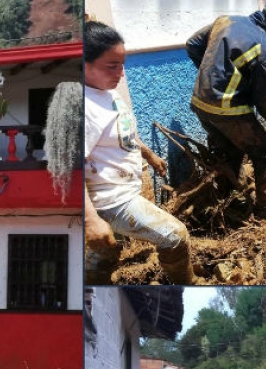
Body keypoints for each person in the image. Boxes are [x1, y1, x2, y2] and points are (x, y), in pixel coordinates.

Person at [81, 23, 194, 286]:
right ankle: (187, 286)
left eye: (122, 63)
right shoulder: (83, 108)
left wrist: (148, 155)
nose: (121, 72)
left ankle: (93, 279)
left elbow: (123, 132)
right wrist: (91, 221)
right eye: (112, 65)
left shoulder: (107, 91)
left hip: (124, 190)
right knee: (175, 236)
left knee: (105, 252)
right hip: (111, 201)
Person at [186, 0, 266, 210]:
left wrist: (212, 73)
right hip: (228, 109)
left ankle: (235, 194)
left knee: (231, 151)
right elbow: (264, 101)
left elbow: (193, 44)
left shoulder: (227, 21)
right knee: (263, 149)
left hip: (200, 103)